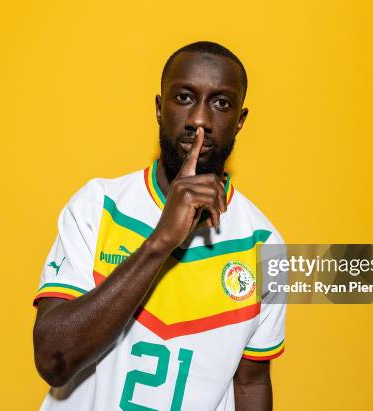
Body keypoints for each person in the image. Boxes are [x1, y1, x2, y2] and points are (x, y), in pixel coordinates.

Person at [32, 41, 286, 411]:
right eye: (184, 97)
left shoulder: (265, 245)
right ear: (158, 108)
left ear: (241, 120)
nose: (199, 119)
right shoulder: (98, 206)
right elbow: (53, 361)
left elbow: (251, 383)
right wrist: (161, 241)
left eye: (221, 103)